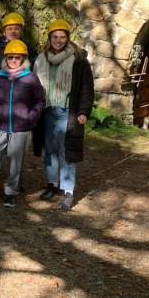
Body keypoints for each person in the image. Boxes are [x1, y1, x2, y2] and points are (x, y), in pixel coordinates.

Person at [0, 39, 45, 208]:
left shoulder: (31, 78)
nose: (13, 60)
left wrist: (30, 117)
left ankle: (10, 194)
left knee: (15, 163)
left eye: (17, 57)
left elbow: (40, 101)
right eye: (10, 57)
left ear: (24, 58)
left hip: (21, 130)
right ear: (5, 58)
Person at [32, 20, 94, 211]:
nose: (58, 40)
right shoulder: (41, 59)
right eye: (55, 37)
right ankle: (52, 184)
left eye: (62, 37)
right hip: (46, 111)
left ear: (68, 38)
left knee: (67, 151)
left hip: (68, 111)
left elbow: (87, 88)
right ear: (49, 38)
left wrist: (84, 111)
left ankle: (68, 191)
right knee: (49, 149)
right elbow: (33, 86)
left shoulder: (78, 59)